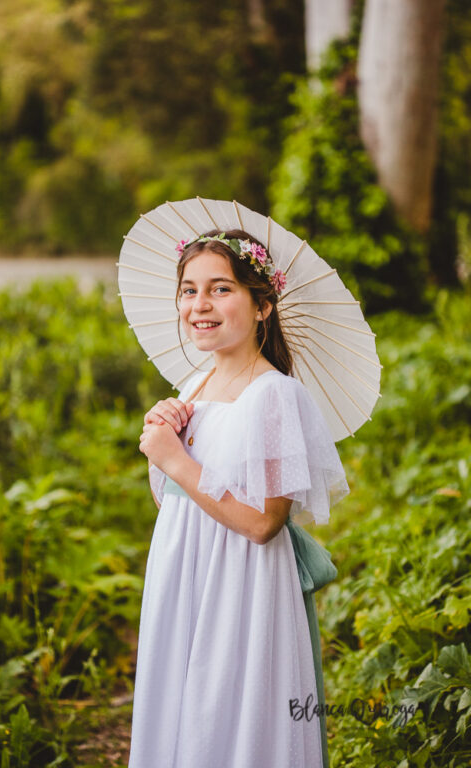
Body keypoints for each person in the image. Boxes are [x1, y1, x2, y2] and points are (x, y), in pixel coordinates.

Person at [129, 229, 349, 767]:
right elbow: (178, 507)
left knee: (226, 711)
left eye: (221, 289)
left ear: (262, 306)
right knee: (182, 709)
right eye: (188, 290)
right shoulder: (192, 390)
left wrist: (175, 460)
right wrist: (166, 437)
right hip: (184, 574)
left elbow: (261, 522)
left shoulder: (273, 395)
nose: (199, 305)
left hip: (241, 584)